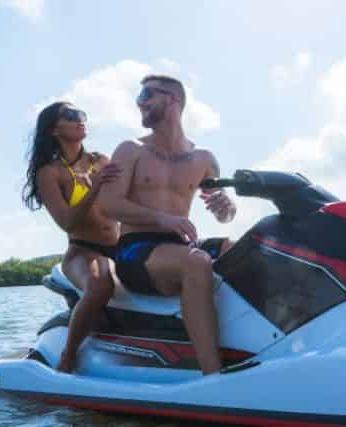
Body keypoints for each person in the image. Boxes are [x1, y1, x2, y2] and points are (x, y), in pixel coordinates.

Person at [100, 75, 236, 374]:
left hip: (180, 248)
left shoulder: (203, 158)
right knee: (196, 262)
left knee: (244, 249)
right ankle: (212, 374)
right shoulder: (130, 149)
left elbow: (223, 213)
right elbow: (108, 204)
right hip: (136, 251)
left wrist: (227, 207)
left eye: (147, 94)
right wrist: (162, 218)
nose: (140, 102)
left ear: (173, 99)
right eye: (139, 97)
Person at [22, 102, 122, 373]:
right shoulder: (50, 172)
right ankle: (68, 357)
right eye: (70, 116)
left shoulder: (101, 161)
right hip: (83, 251)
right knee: (101, 286)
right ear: (54, 129)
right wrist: (95, 188)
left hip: (121, 246)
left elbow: (126, 200)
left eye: (82, 114)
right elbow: (66, 221)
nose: (80, 119)